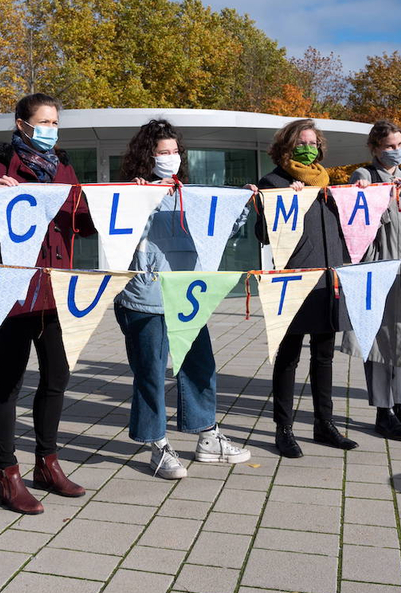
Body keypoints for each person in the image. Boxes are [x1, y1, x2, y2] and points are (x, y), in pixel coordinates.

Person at [0, 93, 96, 515]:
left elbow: (86, 224)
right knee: (8, 381)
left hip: (55, 289)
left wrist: (120, 199)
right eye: (43, 121)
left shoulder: (63, 169)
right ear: (22, 124)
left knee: (57, 376)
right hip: (14, 293)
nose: (51, 129)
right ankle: (7, 474)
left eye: (56, 122)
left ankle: (48, 462)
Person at [113, 119, 253, 479]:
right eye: (163, 152)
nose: (171, 158)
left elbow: (220, 232)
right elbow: (121, 239)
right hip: (146, 297)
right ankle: (156, 444)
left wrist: (240, 205)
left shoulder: (189, 193)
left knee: (199, 367)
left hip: (188, 296)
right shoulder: (130, 193)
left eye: (175, 152)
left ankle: (207, 436)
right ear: (148, 156)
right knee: (151, 374)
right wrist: (142, 200)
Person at [255, 119, 357, 456]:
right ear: (286, 144)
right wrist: (287, 207)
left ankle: (324, 423)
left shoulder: (328, 184)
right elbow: (262, 235)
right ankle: (283, 429)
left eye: (313, 142)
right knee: (288, 358)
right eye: (302, 141)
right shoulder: (273, 182)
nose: (309, 147)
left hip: (330, 280)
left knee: (325, 357)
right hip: (293, 281)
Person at [346, 120, 401, 441]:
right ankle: (383, 412)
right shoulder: (364, 176)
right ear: (374, 149)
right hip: (381, 270)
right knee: (381, 340)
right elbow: (359, 223)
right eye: (388, 146)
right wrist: (381, 197)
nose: (396, 151)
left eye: (399, 145)